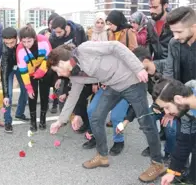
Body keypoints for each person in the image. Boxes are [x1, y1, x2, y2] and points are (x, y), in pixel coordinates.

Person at [47, 41, 165, 182]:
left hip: (132, 81)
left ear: (64, 61)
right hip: (113, 86)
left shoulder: (84, 50)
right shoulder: (74, 74)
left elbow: (115, 46)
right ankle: (102, 156)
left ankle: (158, 164)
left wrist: (138, 68)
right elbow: (73, 96)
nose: (59, 74)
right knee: (96, 117)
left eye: (58, 69)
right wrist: (60, 120)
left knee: (145, 122)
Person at [82, 12, 130, 156]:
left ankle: (118, 141)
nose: (107, 26)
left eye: (108, 23)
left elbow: (134, 57)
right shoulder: (107, 35)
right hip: (107, 82)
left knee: (116, 116)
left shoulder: (128, 34)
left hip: (125, 83)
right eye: (105, 23)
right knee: (92, 110)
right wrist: (99, 80)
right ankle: (96, 137)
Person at [140, 0, 174, 157]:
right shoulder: (149, 24)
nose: (151, 10)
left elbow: (177, 56)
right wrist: (145, 61)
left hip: (173, 73)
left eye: (155, 7)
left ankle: (170, 152)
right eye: (149, 7)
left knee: (171, 114)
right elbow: (148, 46)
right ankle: (157, 140)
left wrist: (153, 64)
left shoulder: (175, 22)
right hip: (155, 75)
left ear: (165, 5)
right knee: (156, 109)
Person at [152, 78, 196, 185]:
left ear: (178, 99)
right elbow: (184, 142)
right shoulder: (186, 111)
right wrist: (172, 171)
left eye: (166, 107)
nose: (166, 112)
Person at [16, 26, 52, 132]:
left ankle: (43, 120)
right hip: (30, 74)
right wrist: (28, 87)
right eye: (24, 41)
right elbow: (23, 71)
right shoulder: (20, 49)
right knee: (32, 95)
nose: (27, 44)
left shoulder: (44, 41)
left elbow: (50, 57)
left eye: (29, 41)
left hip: (45, 70)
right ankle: (33, 122)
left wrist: (42, 70)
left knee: (44, 95)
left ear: (34, 38)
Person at [0, 27, 29, 133]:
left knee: (25, 89)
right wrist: (6, 94)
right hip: (8, 69)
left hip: (21, 67)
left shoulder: (23, 41)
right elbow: (4, 74)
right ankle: (7, 121)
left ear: (17, 38)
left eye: (12, 42)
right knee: (9, 96)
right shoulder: (4, 50)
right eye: (6, 43)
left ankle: (19, 113)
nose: (10, 45)